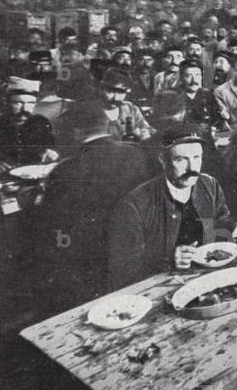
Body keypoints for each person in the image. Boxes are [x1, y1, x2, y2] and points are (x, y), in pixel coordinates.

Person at [106, 124, 237, 289]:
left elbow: (220, 222)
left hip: (207, 277)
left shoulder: (208, 184)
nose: (192, 168)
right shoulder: (135, 204)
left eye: (197, 157)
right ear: (163, 161)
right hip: (161, 286)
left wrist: (236, 230)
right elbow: (123, 268)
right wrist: (169, 259)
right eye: (181, 159)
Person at [34, 101, 151, 308]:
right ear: (106, 125)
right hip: (136, 249)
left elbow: (52, 223)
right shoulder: (136, 154)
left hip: (87, 262)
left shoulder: (65, 170)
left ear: (76, 131)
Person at [0, 77, 58, 177]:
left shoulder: (41, 123)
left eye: (31, 103)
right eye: (18, 103)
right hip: (2, 181)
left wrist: (49, 153)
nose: (25, 109)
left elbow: (48, 147)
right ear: (6, 103)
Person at [99, 67, 153, 142]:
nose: (116, 98)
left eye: (121, 92)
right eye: (110, 91)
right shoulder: (91, 111)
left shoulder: (130, 108)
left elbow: (146, 128)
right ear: (101, 88)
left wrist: (145, 133)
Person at [176, 60, 224, 128]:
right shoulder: (172, 97)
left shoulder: (208, 96)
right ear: (181, 78)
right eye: (188, 76)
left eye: (197, 75)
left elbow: (217, 121)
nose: (194, 80)